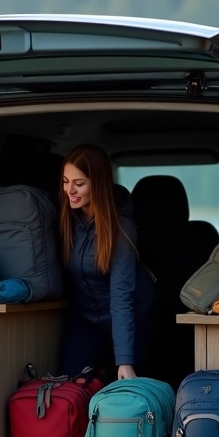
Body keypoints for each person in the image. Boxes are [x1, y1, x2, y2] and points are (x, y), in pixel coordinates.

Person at [58, 144, 154, 380]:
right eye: (65, 181)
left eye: (79, 184)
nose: (69, 190)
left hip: (130, 317)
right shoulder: (65, 221)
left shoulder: (122, 230)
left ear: (98, 184)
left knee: (123, 388)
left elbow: (121, 297)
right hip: (86, 318)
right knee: (70, 383)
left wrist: (124, 361)